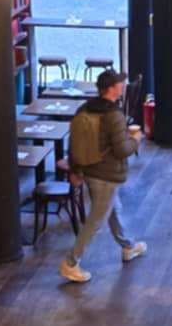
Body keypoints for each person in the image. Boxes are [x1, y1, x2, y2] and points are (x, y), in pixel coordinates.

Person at [62, 69, 145, 283]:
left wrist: (75, 170)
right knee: (96, 221)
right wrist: (135, 139)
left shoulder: (85, 108)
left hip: (89, 171)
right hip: (107, 174)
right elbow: (121, 150)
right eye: (120, 83)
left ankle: (128, 246)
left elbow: (75, 142)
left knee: (113, 209)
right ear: (112, 89)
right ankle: (70, 263)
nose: (123, 86)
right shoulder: (113, 115)